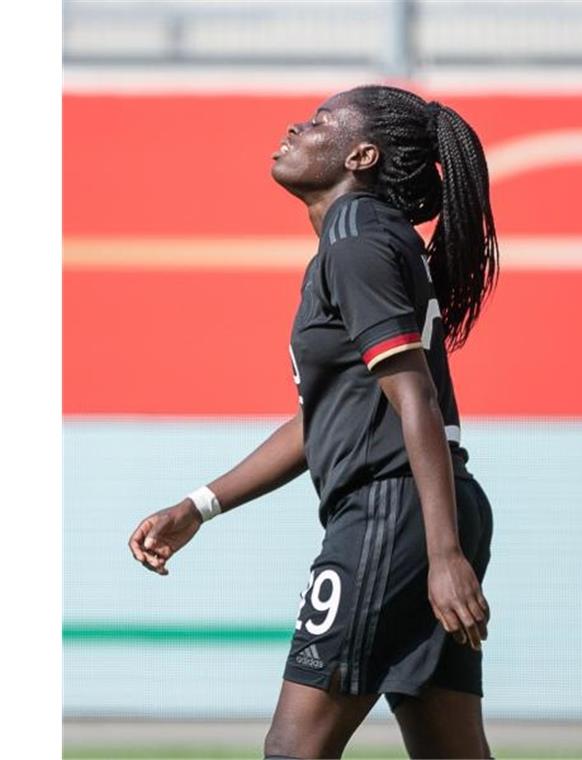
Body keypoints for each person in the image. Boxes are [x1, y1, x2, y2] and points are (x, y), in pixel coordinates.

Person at [127, 85, 499, 760]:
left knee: (293, 749)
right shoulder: (366, 241)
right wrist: (199, 506)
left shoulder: (356, 242)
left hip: (396, 514)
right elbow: (323, 420)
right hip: (429, 510)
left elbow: (415, 397)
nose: (298, 125)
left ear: (361, 155)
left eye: (323, 122)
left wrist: (442, 555)